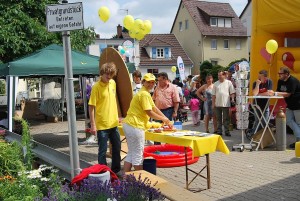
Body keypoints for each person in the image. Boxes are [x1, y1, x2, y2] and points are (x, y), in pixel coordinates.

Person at [123, 73, 172, 172]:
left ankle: (125, 179)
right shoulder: (145, 94)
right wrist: (163, 119)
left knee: (131, 153)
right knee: (138, 155)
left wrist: (165, 118)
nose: (151, 84)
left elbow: (154, 107)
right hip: (135, 126)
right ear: (143, 82)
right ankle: (140, 182)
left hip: (129, 124)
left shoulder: (144, 92)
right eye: (148, 82)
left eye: (153, 82)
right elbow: (149, 112)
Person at [89, 62, 121, 174]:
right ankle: (103, 172)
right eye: (107, 74)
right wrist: (93, 125)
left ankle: (115, 171)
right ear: (102, 73)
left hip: (114, 123)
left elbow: (114, 100)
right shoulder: (96, 87)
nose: (109, 77)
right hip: (102, 125)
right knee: (102, 151)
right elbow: (91, 107)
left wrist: (118, 116)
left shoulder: (113, 83)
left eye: (111, 74)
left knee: (117, 148)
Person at [269, 66, 300, 149]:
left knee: (299, 123)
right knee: (288, 120)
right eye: (278, 73)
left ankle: (298, 142)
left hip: (298, 105)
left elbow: (288, 94)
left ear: (286, 74)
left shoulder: (292, 81)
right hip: (290, 105)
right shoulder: (280, 81)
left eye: (281, 73)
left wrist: (275, 93)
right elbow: (279, 91)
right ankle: (298, 137)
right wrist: (272, 93)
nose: (279, 75)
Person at [152, 72, 180, 144]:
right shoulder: (157, 87)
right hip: (157, 111)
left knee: (167, 129)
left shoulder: (173, 87)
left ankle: (167, 146)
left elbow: (176, 101)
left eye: (160, 80)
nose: (158, 82)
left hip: (168, 111)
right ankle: (157, 147)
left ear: (165, 79)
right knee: (157, 129)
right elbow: (154, 98)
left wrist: (175, 112)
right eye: (158, 80)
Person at [248, 70, 273, 137]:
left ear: (265, 77)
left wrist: (259, 94)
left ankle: (260, 136)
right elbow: (254, 93)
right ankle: (255, 135)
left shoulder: (269, 82)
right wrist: (258, 85)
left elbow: (269, 93)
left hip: (265, 104)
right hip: (257, 105)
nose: (259, 78)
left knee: (264, 122)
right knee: (257, 121)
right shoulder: (255, 83)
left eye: (260, 77)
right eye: (258, 76)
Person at [212, 71, 235, 136]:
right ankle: (219, 131)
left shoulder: (229, 82)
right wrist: (213, 104)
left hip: (226, 103)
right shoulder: (215, 84)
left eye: (220, 75)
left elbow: (232, 92)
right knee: (218, 118)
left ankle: (226, 131)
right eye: (218, 75)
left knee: (226, 118)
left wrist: (232, 99)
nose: (219, 76)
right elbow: (213, 95)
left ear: (224, 76)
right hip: (217, 104)